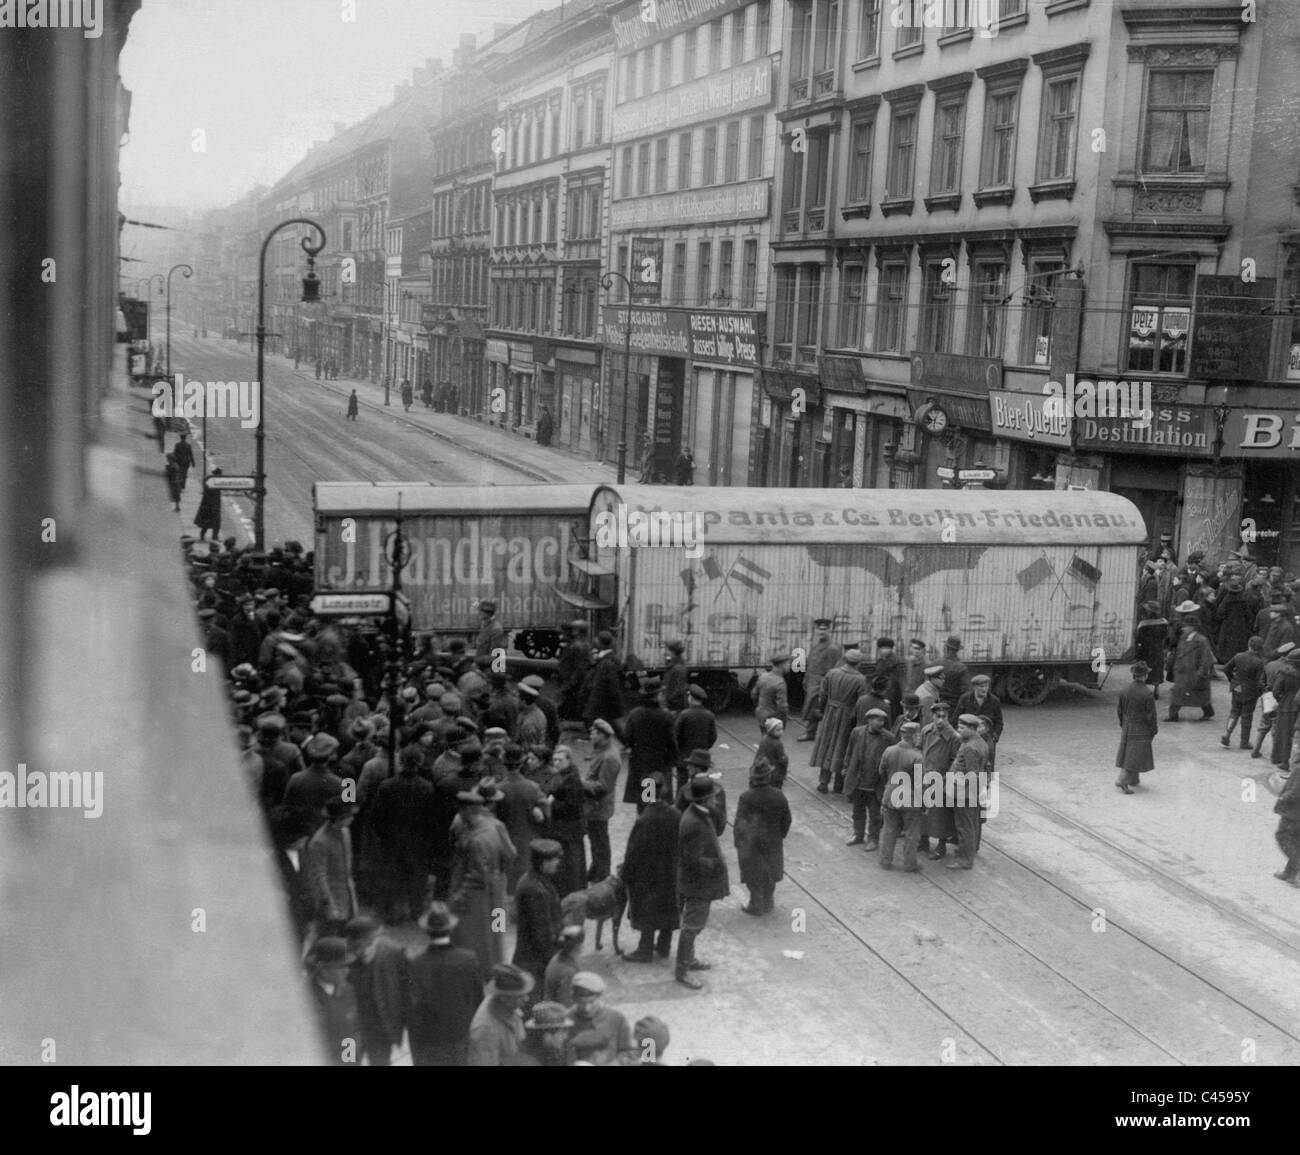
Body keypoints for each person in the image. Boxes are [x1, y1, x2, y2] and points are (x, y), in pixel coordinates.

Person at [449, 779, 515, 977]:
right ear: (491, 802)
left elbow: (452, 845)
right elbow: (511, 854)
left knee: (473, 931)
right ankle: (499, 961)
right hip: (496, 884)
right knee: (498, 929)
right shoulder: (497, 825)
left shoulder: (458, 820)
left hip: (465, 881)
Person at [364, 747, 436, 924]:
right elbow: (432, 820)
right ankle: (417, 913)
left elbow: (376, 817)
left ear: (401, 762)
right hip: (418, 843)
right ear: (419, 763)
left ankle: (394, 915)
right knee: (417, 880)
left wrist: (383, 837)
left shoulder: (387, 786)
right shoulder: (427, 788)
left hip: (392, 842)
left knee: (393, 879)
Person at [407, 903, 483, 1066]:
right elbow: (479, 999)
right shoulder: (468, 959)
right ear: (450, 929)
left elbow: (413, 1009)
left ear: (427, 931)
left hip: (430, 1039)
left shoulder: (416, 963)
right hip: (461, 1034)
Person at [675, 773, 730, 989]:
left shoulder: (696, 813)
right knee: (692, 927)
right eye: (713, 797)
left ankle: (689, 959)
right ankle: (682, 970)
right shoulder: (694, 823)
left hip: (697, 882)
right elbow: (693, 860)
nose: (716, 800)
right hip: (698, 884)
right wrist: (716, 865)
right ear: (705, 800)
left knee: (693, 925)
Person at [621, 772, 680, 963]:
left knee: (648, 911)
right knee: (668, 908)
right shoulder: (675, 814)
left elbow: (633, 851)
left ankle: (644, 950)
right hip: (669, 872)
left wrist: (626, 874)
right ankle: (664, 946)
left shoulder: (644, 819)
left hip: (648, 874)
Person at [343, 917, 407, 1067]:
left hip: (380, 1030)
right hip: (350, 1033)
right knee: (347, 1062)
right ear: (351, 943)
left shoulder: (392, 952)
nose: (365, 950)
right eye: (359, 947)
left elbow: (407, 985)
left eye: (370, 944)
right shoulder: (341, 959)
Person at [734, 758, 792, 914]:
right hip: (773, 841)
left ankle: (756, 903)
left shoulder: (746, 797)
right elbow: (787, 819)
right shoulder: (778, 795)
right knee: (770, 872)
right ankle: (768, 900)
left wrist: (739, 842)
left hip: (752, 843)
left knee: (754, 874)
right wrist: (780, 835)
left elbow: (740, 822)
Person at [302, 796, 359, 939]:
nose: (352, 819)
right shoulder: (319, 842)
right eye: (349, 816)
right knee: (330, 939)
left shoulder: (345, 832)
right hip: (331, 900)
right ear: (338, 819)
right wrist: (329, 904)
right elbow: (319, 876)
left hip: (347, 896)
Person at [811, 649, 867, 793]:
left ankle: (823, 782)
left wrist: (822, 710)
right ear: (858, 663)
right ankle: (838, 784)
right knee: (842, 747)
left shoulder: (832, 673)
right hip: (847, 716)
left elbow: (822, 695)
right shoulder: (860, 679)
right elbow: (861, 702)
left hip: (830, 712)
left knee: (827, 744)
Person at [512, 839, 563, 992]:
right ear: (543, 863)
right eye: (553, 859)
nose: (557, 862)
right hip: (535, 963)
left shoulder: (533, 879)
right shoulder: (536, 891)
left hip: (530, 959)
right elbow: (542, 935)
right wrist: (554, 962)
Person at [621, 677, 678, 812]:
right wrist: (673, 760)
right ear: (658, 695)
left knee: (645, 802)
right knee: (655, 803)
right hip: (659, 766)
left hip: (640, 764)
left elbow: (627, 739)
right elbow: (672, 743)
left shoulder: (635, 714)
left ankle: (644, 823)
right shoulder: (665, 716)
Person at [305, 936, 359, 1065]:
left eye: (347, 966)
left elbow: (350, 1034)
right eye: (340, 967)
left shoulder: (348, 990)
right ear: (323, 969)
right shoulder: (304, 997)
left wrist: (350, 1062)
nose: (346, 971)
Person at [842, 708, 891, 850]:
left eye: (883, 720)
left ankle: (873, 839)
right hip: (858, 781)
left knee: (875, 814)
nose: (881, 723)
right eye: (878, 720)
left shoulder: (888, 737)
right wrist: (846, 767)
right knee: (857, 811)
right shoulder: (857, 732)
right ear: (869, 720)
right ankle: (858, 835)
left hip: (876, 783)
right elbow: (850, 751)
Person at [879, 722, 925, 871]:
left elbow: (882, 772)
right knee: (912, 833)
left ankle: (885, 860)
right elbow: (920, 783)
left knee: (889, 830)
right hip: (910, 800)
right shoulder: (917, 756)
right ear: (915, 736)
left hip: (890, 796)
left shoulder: (889, 750)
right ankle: (910, 864)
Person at [467, 963, 532, 1066]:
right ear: (504, 997)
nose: (526, 999)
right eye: (520, 996)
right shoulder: (485, 1031)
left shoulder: (507, 1006)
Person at [544, 745, 588, 898]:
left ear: (569, 760)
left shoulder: (573, 779)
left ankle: (571, 892)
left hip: (570, 829)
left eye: (560, 760)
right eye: (554, 760)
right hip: (563, 828)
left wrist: (552, 803)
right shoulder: (562, 774)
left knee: (572, 862)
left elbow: (572, 805)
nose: (556, 763)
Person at [947, 715, 988, 870]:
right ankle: (968, 852)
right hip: (971, 792)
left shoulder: (970, 747)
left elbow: (972, 774)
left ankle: (965, 859)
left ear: (972, 729)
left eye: (962, 728)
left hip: (964, 793)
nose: (959, 730)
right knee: (971, 824)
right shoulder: (980, 742)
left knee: (964, 826)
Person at [569, 972, 636, 1064]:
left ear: (600, 997)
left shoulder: (616, 1018)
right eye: (581, 1003)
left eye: (592, 1002)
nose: (586, 1008)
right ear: (573, 998)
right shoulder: (566, 1020)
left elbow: (628, 1053)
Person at [583, 719, 622, 881]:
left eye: (593, 733)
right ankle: (596, 869)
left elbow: (604, 786)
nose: (590, 736)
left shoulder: (609, 757)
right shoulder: (601, 750)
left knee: (600, 842)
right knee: (596, 840)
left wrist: (582, 784)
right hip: (594, 805)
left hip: (598, 806)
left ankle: (602, 873)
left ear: (602, 735)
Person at [1166, 602, 1215, 721]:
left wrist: (1201, 673)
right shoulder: (1184, 638)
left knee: (1200, 696)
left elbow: (1205, 659)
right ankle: (1173, 715)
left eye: (1186, 626)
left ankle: (1208, 712)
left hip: (1194, 674)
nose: (1183, 628)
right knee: (1177, 694)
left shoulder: (1202, 641)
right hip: (1183, 673)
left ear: (1193, 627)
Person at [1115, 662, 1158, 794]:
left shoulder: (1124, 691)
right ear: (1144, 676)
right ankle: (1123, 780)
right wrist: (1153, 729)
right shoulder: (1147, 693)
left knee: (1129, 753)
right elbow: (1151, 715)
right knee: (1135, 755)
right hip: (1141, 728)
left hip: (1127, 726)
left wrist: (1123, 723)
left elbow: (1120, 711)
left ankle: (1134, 779)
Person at [799, 619, 841, 741]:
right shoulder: (815, 645)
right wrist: (806, 678)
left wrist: (827, 684)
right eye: (819, 629)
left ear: (830, 631)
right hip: (812, 681)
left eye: (825, 629)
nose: (822, 632)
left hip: (822, 682)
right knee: (813, 708)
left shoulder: (833, 649)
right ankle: (811, 732)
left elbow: (834, 669)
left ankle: (827, 735)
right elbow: (810, 664)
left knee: (823, 709)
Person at [1222, 636, 1267, 750]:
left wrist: (1232, 680)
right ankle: (1244, 742)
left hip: (1237, 687)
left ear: (1248, 645)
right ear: (1260, 648)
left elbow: (1226, 668)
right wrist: (1260, 692)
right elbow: (1260, 681)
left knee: (1234, 712)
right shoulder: (1260, 662)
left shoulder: (1238, 656)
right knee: (1247, 716)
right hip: (1250, 691)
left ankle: (1227, 734)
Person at [673, 684, 717, 792]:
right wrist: (704, 747)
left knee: (681, 786)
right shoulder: (709, 715)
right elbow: (713, 737)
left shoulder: (684, 715)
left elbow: (675, 736)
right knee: (699, 787)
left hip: (684, 757)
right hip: (701, 759)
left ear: (691, 698)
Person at [508, 1002, 574, 1066]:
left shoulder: (549, 1055)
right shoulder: (529, 1061)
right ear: (547, 1036)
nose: (565, 1036)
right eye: (562, 1032)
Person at [1134, 602, 1170, 699]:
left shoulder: (1143, 624)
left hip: (1145, 650)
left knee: (1143, 668)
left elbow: (1138, 639)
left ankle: (1142, 689)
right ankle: (1156, 689)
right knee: (1157, 670)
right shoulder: (1164, 622)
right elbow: (1166, 636)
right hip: (1158, 649)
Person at [1273, 759, 1300, 887]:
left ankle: (1297, 864)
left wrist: (1283, 798)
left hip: (1293, 812)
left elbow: (1295, 792)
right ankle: (1290, 873)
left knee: (1282, 837)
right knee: (1295, 841)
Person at [955, 674, 1004, 744]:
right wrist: (958, 734)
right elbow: (956, 718)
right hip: (968, 739)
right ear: (974, 687)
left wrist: (995, 737)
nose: (984, 689)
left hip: (986, 739)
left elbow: (999, 722)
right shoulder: (965, 698)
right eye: (981, 687)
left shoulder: (994, 700)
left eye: (986, 686)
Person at [543, 925, 585, 1005]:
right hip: (557, 1012)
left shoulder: (558, 957)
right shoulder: (568, 971)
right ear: (578, 946)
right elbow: (565, 1004)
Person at [753, 653, 791, 735]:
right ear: (782, 665)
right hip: (773, 721)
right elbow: (782, 708)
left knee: (764, 739)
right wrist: (782, 725)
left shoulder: (763, 676)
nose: (789, 666)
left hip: (761, 716)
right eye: (788, 664)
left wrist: (760, 708)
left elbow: (754, 694)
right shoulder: (780, 683)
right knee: (772, 744)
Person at [753, 716, 789, 789]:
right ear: (771, 730)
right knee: (776, 788)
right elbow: (783, 759)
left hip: (764, 769)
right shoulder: (778, 743)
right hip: (775, 771)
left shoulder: (764, 739)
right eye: (778, 730)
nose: (781, 731)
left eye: (782, 729)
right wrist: (784, 771)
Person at [939, 636, 970, 710]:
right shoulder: (961, 667)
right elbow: (966, 691)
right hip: (954, 706)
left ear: (946, 649)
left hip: (937, 705)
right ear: (957, 650)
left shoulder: (935, 663)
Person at [194, 468, 223, 541]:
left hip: (212, 506)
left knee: (213, 524)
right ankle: (207, 536)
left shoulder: (211, 481)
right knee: (210, 523)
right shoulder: (211, 482)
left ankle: (214, 537)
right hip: (210, 506)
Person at [661, 640, 689, 713]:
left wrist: (668, 705)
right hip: (671, 707)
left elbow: (678, 690)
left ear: (673, 652)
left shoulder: (678, 668)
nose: (666, 652)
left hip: (675, 708)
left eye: (668, 650)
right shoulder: (672, 665)